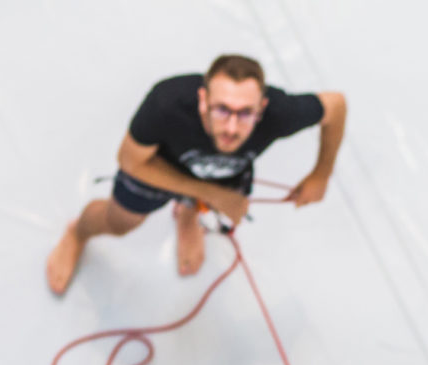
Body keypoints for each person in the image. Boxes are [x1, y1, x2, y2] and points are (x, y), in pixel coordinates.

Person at [46, 54, 346, 295]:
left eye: (245, 114)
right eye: (221, 110)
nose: (231, 128)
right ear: (203, 100)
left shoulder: (280, 112)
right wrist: (212, 193)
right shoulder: (167, 103)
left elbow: (335, 105)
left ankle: (187, 214)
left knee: (200, 201)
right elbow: (129, 160)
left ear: (262, 107)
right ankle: (77, 232)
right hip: (156, 168)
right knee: (119, 222)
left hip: (222, 175)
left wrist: (321, 174)